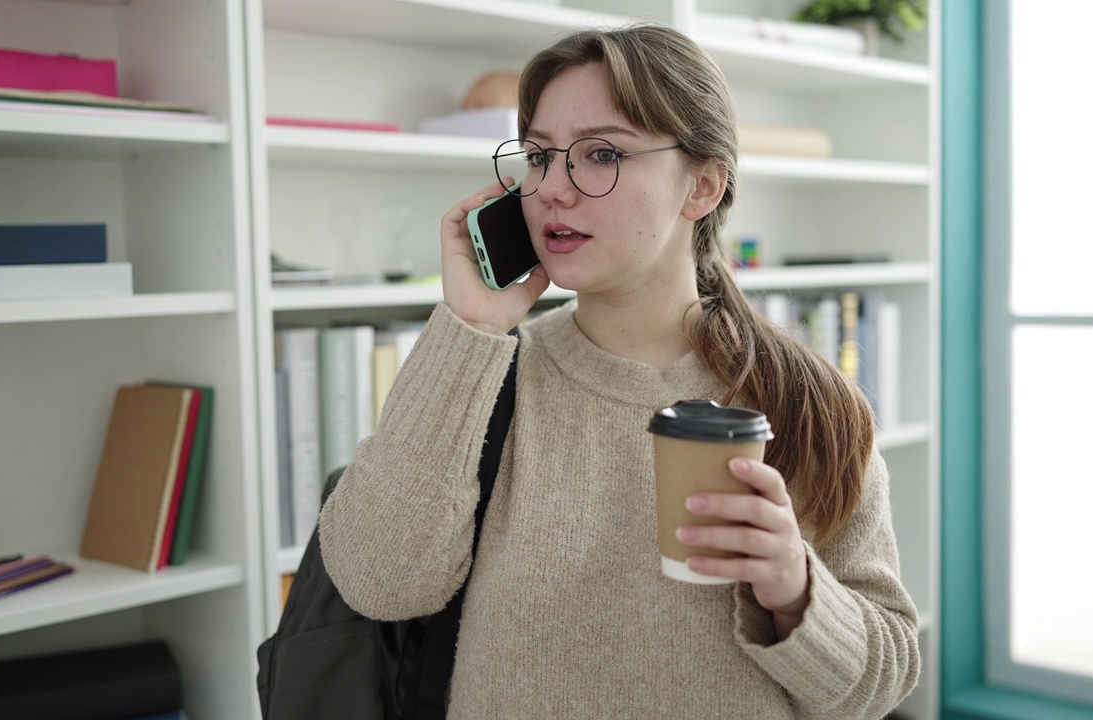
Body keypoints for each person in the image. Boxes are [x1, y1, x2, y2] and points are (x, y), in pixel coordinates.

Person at [319, 22, 920, 719]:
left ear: (702, 186)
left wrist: (795, 590)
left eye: (601, 154)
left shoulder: (810, 404)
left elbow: (885, 682)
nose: (552, 190)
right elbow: (380, 582)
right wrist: (472, 328)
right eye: (540, 157)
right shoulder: (487, 373)